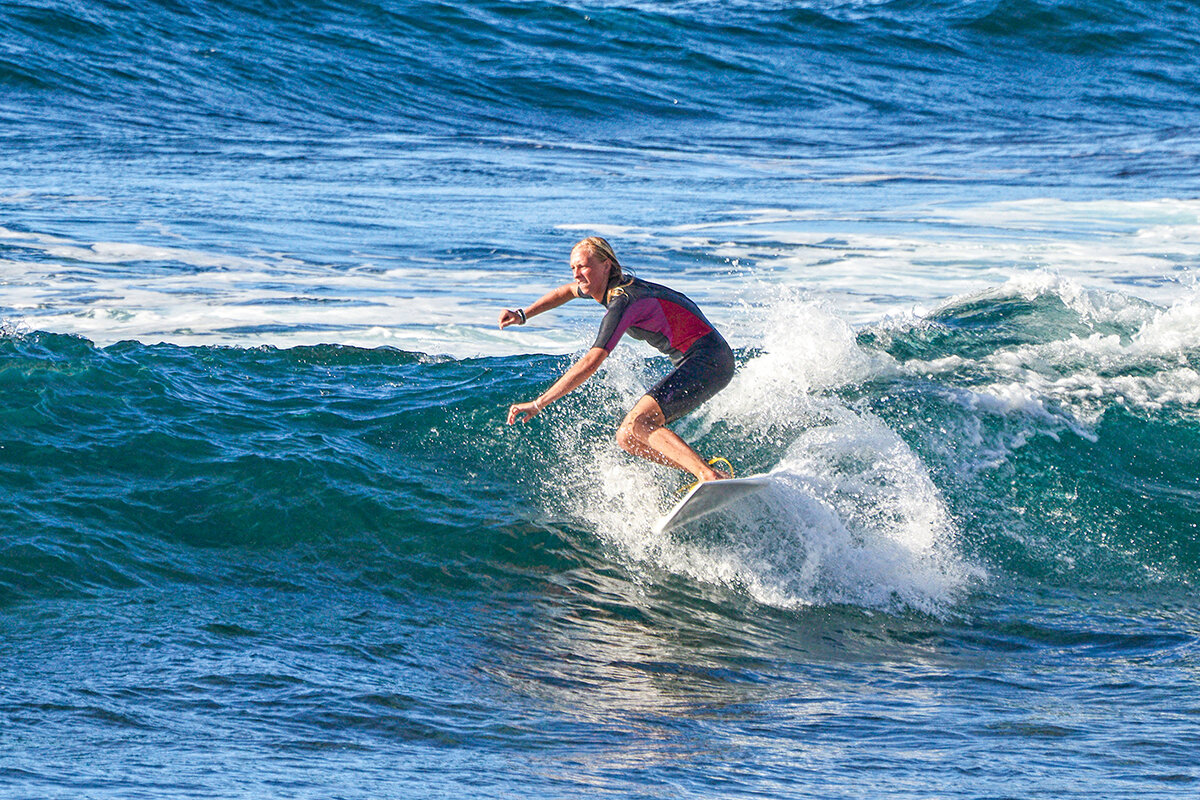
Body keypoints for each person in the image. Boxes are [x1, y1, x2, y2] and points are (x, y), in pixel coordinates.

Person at [500, 236, 735, 483]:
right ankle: (710, 473)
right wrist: (522, 315)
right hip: (702, 360)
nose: (577, 274)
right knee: (628, 437)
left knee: (639, 423)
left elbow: (592, 360)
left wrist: (539, 403)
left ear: (607, 265)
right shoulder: (608, 287)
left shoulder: (624, 300)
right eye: (573, 268)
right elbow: (566, 292)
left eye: (583, 266)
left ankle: (707, 475)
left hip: (709, 360)